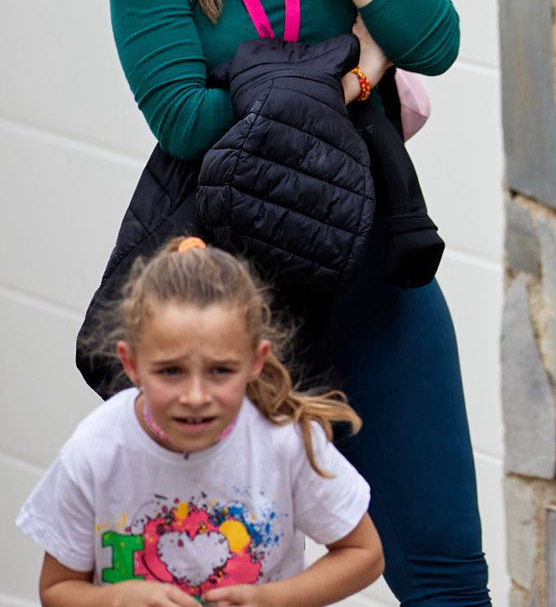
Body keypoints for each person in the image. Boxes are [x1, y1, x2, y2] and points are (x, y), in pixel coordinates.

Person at [95, 0, 488, 603]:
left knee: (443, 569)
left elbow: (432, 41)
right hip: (238, 310)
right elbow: (185, 119)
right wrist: (351, 68)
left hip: (380, 276)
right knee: (229, 575)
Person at [19, 237, 383, 604]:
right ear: (132, 365)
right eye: (171, 371)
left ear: (256, 362)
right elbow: (56, 590)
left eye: (220, 370)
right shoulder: (95, 451)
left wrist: (272, 599)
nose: (195, 397)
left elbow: (364, 555)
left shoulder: (284, 441)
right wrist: (116, 600)